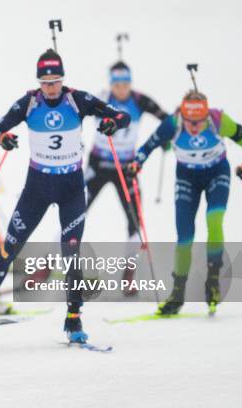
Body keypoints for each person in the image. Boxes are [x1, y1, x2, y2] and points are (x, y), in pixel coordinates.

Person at [0, 49, 131, 343]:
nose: (51, 88)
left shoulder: (78, 100)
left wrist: (113, 123)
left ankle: (74, 318)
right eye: (46, 82)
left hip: (72, 187)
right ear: (39, 81)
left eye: (56, 81)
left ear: (62, 80)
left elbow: (120, 115)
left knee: (71, 252)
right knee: (10, 246)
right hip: (37, 186)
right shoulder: (29, 102)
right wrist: (3, 139)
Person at [128, 90, 242, 315]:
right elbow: (148, 146)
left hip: (217, 174)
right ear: (183, 116)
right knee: (185, 236)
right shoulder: (173, 123)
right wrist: (137, 163)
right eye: (190, 122)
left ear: (206, 116)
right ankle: (177, 294)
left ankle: (213, 283)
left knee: (214, 219)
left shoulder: (219, 121)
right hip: (187, 178)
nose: (195, 127)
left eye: (199, 122)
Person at [85, 61, 168, 294]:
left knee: (134, 219)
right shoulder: (100, 99)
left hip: (126, 167)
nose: (121, 89)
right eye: (117, 84)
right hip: (98, 165)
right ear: (110, 84)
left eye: (125, 84)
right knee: (75, 211)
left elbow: (167, 120)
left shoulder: (140, 100)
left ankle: (128, 275)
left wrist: (167, 138)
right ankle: (49, 266)